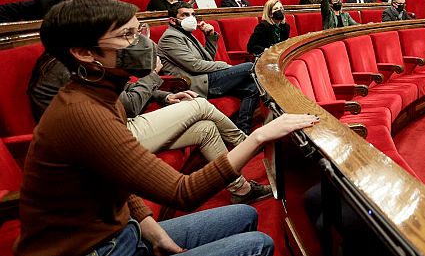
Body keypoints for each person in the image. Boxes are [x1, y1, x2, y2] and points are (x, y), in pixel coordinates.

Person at [19, 0, 317, 256]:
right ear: (85, 53)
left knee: (242, 215)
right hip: (96, 250)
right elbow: (183, 192)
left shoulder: (100, 95)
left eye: (140, 32)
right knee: (258, 244)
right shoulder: (83, 113)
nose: (143, 45)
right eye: (127, 36)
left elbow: (118, 179)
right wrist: (259, 136)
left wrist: (152, 231)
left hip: (125, 233)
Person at [27, 48, 271, 205]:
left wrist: (164, 96)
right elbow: (130, 104)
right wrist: (153, 74)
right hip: (107, 135)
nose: (130, 41)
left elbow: (126, 92)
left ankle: (240, 189)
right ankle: (247, 143)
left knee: (206, 128)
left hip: (117, 122)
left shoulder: (81, 59)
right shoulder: (71, 69)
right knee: (199, 106)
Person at [160, 2, 262, 133]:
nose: (190, 18)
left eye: (192, 14)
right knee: (249, 66)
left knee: (252, 88)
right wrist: (226, 66)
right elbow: (195, 66)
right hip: (194, 83)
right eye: (185, 15)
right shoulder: (170, 37)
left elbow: (207, 61)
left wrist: (210, 37)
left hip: (206, 77)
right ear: (173, 20)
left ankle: (243, 130)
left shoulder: (186, 34)